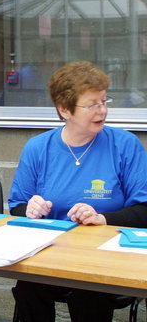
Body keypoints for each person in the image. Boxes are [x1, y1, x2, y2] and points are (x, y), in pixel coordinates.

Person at [8, 61, 147, 322]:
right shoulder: (38, 148)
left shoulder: (125, 145)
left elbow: (144, 210)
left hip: (105, 257)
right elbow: (17, 206)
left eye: (105, 101)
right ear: (64, 109)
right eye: (92, 104)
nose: (102, 110)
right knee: (28, 286)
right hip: (52, 255)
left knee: (88, 292)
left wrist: (103, 218)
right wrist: (30, 209)